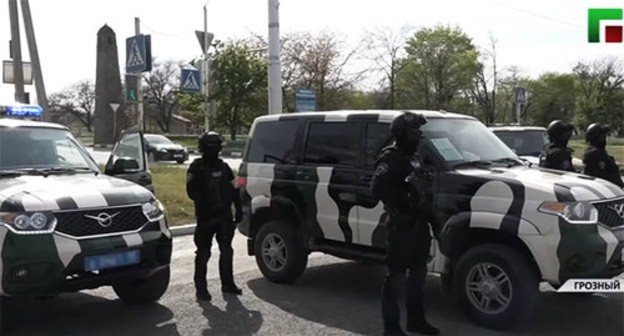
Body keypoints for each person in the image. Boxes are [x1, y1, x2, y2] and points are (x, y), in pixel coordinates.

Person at [371, 112, 440, 336]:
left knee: (418, 277)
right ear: (401, 134)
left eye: (418, 131)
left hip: (419, 225)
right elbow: (378, 189)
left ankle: (416, 321)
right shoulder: (391, 157)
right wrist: (406, 197)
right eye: (413, 131)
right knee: (396, 278)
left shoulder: (416, 156)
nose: (418, 135)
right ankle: (391, 328)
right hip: (400, 226)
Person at [186, 131, 243, 301]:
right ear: (203, 148)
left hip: (224, 216)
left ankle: (228, 284)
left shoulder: (225, 168)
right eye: (210, 146)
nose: (213, 150)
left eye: (216, 146)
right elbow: (190, 191)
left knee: (226, 250)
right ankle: (201, 288)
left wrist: (238, 209)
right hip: (205, 217)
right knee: (203, 252)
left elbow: (235, 188)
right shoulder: (196, 168)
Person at [583, 123, 624, 188]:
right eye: (602, 135)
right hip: (605, 191)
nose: (605, 138)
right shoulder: (594, 154)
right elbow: (602, 176)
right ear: (595, 137)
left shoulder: (601, 152)